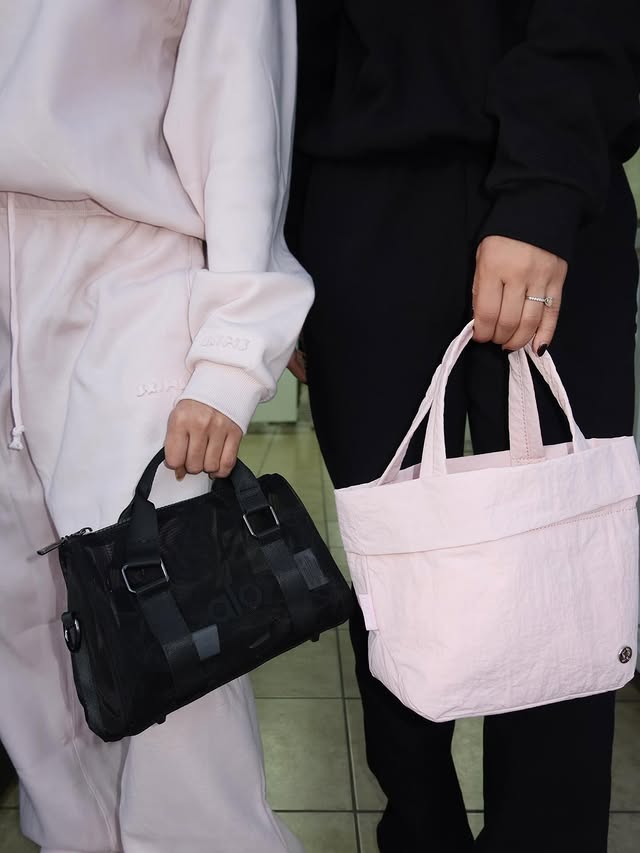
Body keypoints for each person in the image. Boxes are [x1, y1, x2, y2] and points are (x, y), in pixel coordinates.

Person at [286, 2, 640, 851]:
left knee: (564, 565)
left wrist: (544, 184)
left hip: (552, 196)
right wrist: (281, 251)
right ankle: (422, 833)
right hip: (354, 201)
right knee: (396, 579)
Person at [0, 2, 312, 851]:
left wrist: (232, 352)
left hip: (134, 265)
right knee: (24, 644)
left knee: (170, 642)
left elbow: (239, 94)